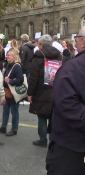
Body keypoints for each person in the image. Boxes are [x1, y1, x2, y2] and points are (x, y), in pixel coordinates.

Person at [46, 26, 85, 174]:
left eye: (76, 39)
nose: (74, 44)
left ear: (84, 42)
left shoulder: (71, 69)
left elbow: (67, 106)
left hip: (71, 147)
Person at [27, 34, 61, 148]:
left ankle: (42, 140)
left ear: (41, 45)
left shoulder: (38, 57)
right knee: (53, 116)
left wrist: (30, 93)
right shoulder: (59, 56)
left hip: (41, 91)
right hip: (56, 90)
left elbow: (33, 78)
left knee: (41, 116)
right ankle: (53, 139)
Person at [0, 49, 24, 136]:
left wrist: (10, 81)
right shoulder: (8, 65)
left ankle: (14, 129)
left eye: (9, 55)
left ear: (14, 56)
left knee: (14, 111)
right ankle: (4, 127)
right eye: (7, 55)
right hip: (7, 91)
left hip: (13, 92)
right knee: (5, 110)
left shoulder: (17, 66)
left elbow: (20, 80)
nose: (7, 56)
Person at [19, 34, 35, 105]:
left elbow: (22, 59)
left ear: (22, 40)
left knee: (25, 83)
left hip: (25, 67)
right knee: (29, 82)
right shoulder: (31, 47)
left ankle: (26, 97)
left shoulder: (24, 48)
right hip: (30, 66)